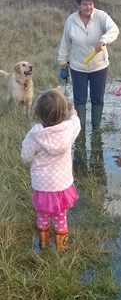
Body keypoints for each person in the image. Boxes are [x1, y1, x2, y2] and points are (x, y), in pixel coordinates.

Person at [21, 89, 81, 251]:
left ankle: (44, 244)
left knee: (43, 215)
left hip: (42, 186)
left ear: (38, 113)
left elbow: (26, 157)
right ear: (63, 112)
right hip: (62, 185)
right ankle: (62, 247)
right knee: (61, 216)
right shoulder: (68, 129)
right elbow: (77, 124)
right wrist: (73, 114)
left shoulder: (35, 134)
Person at [58, 0, 119, 130]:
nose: (88, 7)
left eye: (91, 4)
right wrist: (62, 61)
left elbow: (114, 29)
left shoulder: (101, 16)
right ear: (79, 5)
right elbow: (65, 42)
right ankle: (80, 128)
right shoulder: (71, 21)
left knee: (97, 98)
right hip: (78, 66)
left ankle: (96, 128)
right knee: (80, 99)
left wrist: (104, 39)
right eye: (85, 4)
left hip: (99, 66)